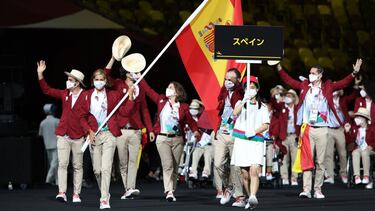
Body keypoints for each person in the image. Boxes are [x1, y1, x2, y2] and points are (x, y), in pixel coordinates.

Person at [276, 59, 362, 199]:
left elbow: (343, 83)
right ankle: (306, 189)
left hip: (322, 129)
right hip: (308, 128)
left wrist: (354, 73)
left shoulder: (328, 86)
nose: (310, 75)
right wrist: (279, 68)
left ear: (320, 75)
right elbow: (290, 81)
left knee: (320, 161)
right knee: (307, 159)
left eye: (313, 73)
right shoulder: (305, 85)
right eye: (309, 73)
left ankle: (317, 190)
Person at [80, 69, 136, 209]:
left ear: (105, 81)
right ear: (93, 81)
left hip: (109, 134)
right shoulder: (86, 95)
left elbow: (124, 112)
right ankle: (105, 192)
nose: (99, 81)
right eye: (96, 79)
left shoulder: (113, 95)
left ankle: (104, 199)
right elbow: (81, 117)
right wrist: (89, 130)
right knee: (97, 170)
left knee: (106, 168)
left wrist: (130, 98)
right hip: (94, 136)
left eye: (101, 79)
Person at [140, 79, 200, 202]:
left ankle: (172, 189)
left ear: (177, 92)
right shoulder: (161, 100)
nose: (168, 89)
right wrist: (140, 78)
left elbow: (190, 121)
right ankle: (169, 191)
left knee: (175, 165)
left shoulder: (183, 106)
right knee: (167, 165)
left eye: (171, 87)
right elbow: (148, 91)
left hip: (177, 139)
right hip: (162, 138)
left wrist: (195, 131)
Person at [37, 60, 86, 203]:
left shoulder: (86, 96)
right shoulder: (64, 94)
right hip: (63, 134)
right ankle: (62, 192)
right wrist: (40, 74)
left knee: (77, 166)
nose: (67, 81)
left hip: (78, 136)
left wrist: (89, 131)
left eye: (70, 80)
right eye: (68, 79)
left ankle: (76, 194)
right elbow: (47, 90)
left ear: (77, 82)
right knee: (62, 164)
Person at [105, 53, 153, 199]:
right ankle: (128, 188)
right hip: (120, 130)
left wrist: (150, 129)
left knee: (133, 161)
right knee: (123, 162)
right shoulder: (118, 84)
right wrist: (112, 59)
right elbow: (105, 76)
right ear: (127, 72)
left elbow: (145, 110)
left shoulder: (141, 88)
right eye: (133, 71)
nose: (136, 73)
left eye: (138, 71)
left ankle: (130, 187)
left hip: (136, 130)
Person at [231, 76, 270, 209]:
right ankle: (249, 197)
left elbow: (266, 125)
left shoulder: (263, 107)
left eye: (252, 87)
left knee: (254, 170)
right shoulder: (240, 103)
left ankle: (253, 195)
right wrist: (244, 100)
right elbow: (234, 113)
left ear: (257, 89)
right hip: (242, 142)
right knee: (245, 174)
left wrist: (254, 131)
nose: (250, 90)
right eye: (247, 87)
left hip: (255, 141)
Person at [214, 68, 245, 207]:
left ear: (237, 81)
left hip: (235, 134)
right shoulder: (224, 92)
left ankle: (240, 197)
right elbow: (220, 111)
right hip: (222, 132)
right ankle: (228, 187)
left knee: (235, 167)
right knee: (218, 164)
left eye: (230, 79)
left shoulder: (240, 93)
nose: (227, 81)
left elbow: (241, 102)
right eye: (226, 79)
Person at [324, 85, 360, 185]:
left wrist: (356, 86)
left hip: (340, 129)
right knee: (328, 154)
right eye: (332, 90)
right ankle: (330, 176)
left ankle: (343, 174)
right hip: (329, 129)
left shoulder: (343, 100)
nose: (334, 91)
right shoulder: (327, 100)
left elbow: (352, 96)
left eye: (336, 90)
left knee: (342, 153)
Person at [271, 89, 300, 186]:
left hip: (294, 136)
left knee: (295, 158)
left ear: (294, 97)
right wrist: (276, 96)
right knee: (284, 158)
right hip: (284, 136)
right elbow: (274, 104)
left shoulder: (297, 108)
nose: (287, 97)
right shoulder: (282, 107)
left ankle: (294, 178)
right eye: (286, 95)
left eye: (290, 96)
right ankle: (284, 177)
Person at [344, 108, 375, 185]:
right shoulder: (355, 128)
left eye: (358, 117)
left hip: (369, 149)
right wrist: (347, 132)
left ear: (364, 119)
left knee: (365, 152)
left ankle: (366, 176)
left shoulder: (372, 129)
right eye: (356, 117)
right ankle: (357, 176)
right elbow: (350, 141)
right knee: (355, 152)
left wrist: (371, 146)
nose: (356, 119)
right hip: (358, 148)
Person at [188, 99, 214, 180]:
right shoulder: (193, 119)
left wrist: (200, 103)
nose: (193, 110)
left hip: (210, 145)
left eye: (195, 108)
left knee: (208, 153)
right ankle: (193, 172)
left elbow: (208, 106)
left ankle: (206, 172)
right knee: (195, 152)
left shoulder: (206, 115)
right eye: (192, 108)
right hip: (199, 144)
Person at [39, 103, 60, 186]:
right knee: (54, 163)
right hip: (56, 144)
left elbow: (40, 134)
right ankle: (48, 179)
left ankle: (57, 181)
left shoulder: (42, 123)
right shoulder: (57, 121)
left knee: (53, 163)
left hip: (47, 145)